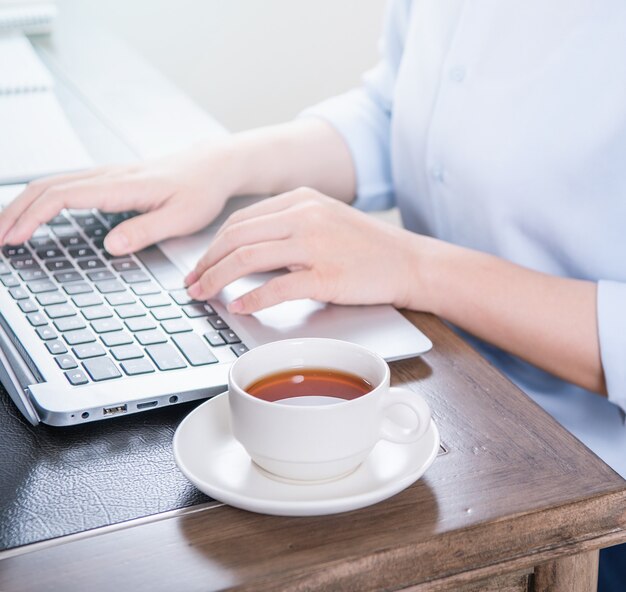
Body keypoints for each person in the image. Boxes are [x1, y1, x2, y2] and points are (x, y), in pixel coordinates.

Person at [0, 0, 624, 586]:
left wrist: (418, 267)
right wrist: (220, 165)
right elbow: (395, 111)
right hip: (454, 389)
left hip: (583, 482)